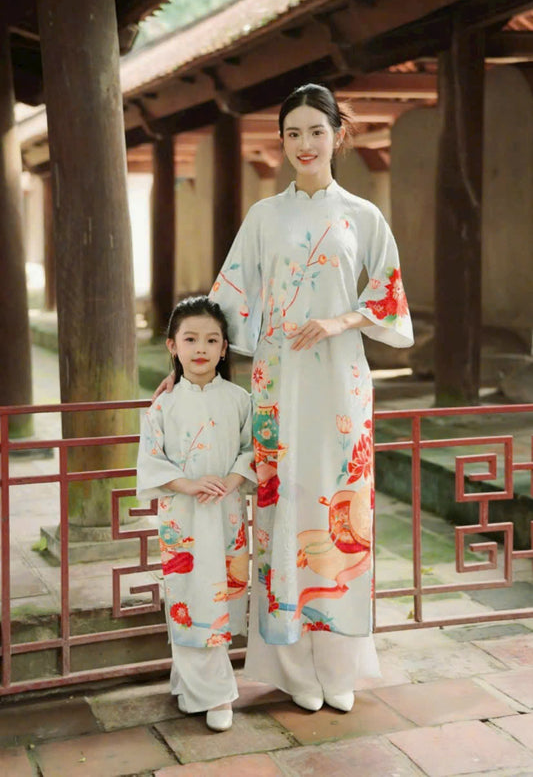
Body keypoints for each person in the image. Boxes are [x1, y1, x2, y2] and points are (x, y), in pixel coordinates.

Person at [155, 83, 414, 713]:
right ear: (282, 141)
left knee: (338, 512)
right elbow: (227, 299)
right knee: (284, 512)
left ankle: (340, 666)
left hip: (342, 386)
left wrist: (339, 320)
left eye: (315, 132)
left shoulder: (362, 215)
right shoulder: (263, 218)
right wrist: (186, 358)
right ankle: (294, 668)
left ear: (337, 135)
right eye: (292, 133)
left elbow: (388, 295)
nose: (304, 144)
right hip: (276, 384)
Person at [136, 296, 255, 732]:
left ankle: (193, 687)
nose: (200, 348)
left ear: (225, 349)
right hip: (182, 518)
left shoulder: (240, 399)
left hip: (226, 514)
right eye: (190, 339)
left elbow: (251, 450)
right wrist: (186, 483)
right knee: (188, 597)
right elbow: (150, 460)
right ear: (172, 345)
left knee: (221, 595)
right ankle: (216, 694)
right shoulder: (162, 407)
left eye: (211, 339)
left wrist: (235, 479)